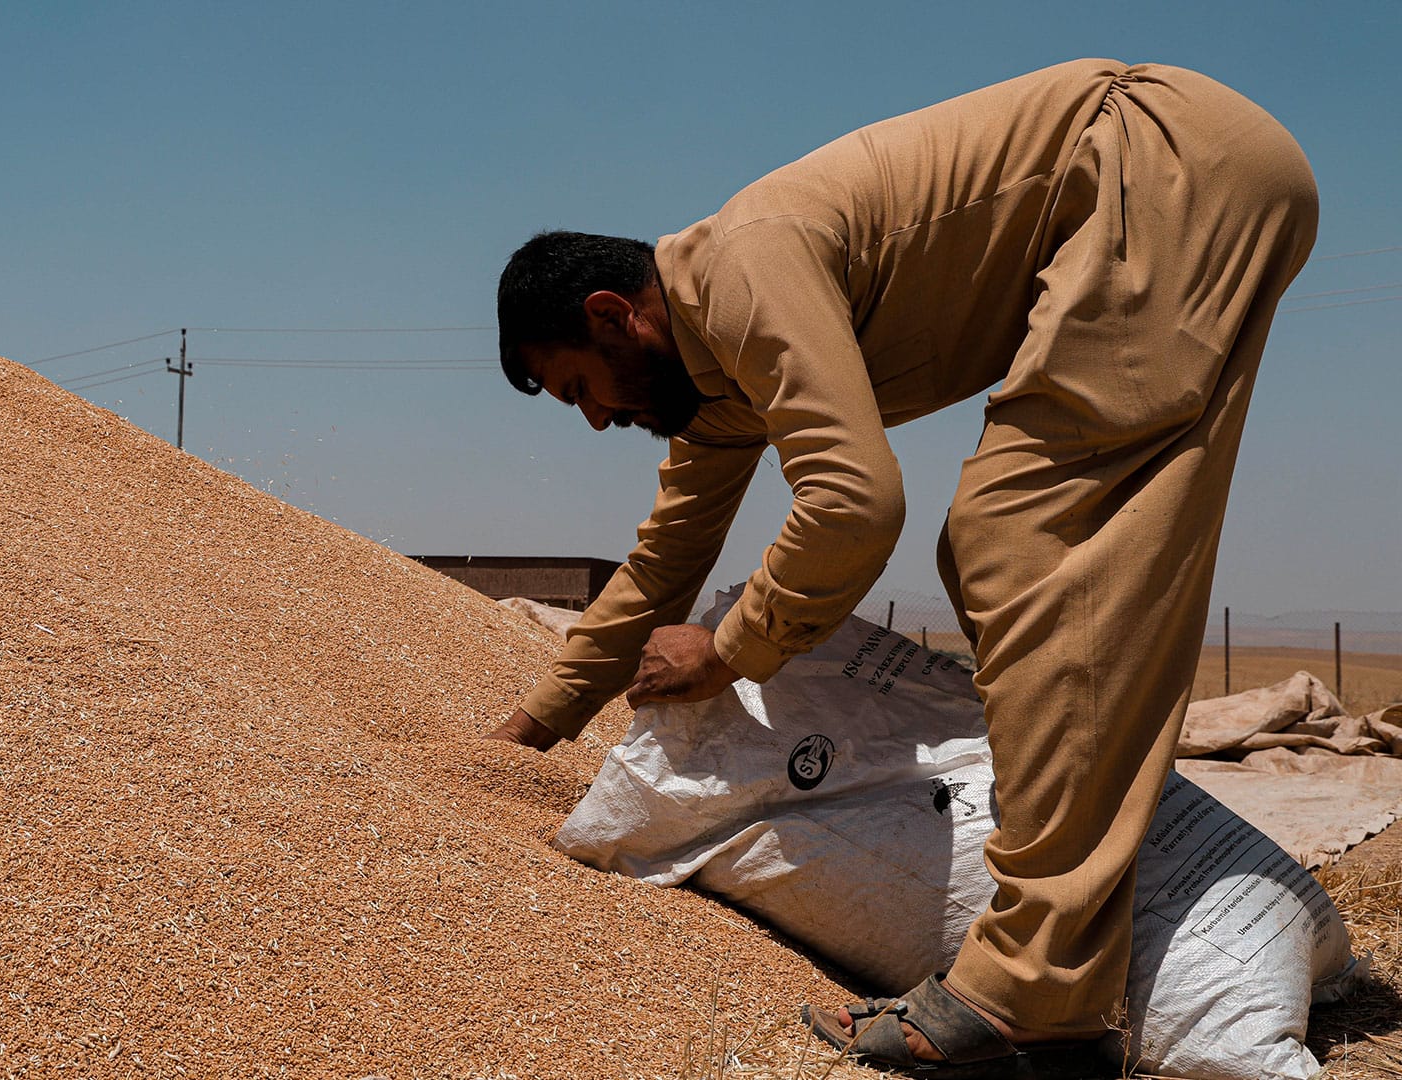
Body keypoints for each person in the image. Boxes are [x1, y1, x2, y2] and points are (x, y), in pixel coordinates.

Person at [484, 59, 1316, 1077]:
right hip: (1180, 172)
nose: (600, 418)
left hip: (1155, 157)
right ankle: (1057, 981)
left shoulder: (742, 269)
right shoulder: (710, 387)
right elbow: (668, 554)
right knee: (1034, 572)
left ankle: (1027, 991)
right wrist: (534, 728)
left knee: (1017, 542)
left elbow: (854, 501)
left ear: (618, 316)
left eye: (583, 388)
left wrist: (731, 650)